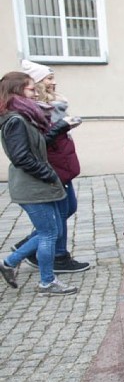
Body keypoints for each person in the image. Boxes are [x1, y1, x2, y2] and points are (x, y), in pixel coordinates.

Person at [0, 72, 77, 295]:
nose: (36, 93)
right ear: (17, 92)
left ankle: (10, 262)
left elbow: (39, 144)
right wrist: (49, 174)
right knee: (48, 233)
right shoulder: (15, 120)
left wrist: (61, 126)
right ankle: (46, 282)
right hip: (31, 186)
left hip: (38, 184)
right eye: (31, 89)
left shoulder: (24, 116)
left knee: (49, 231)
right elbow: (22, 157)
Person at [16, 60, 89, 273]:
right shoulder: (33, 111)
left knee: (68, 209)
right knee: (56, 218)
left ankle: (35, 245)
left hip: (63, 166)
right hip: (53, 167)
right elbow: (39, 142)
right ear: (37, 83)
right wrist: (61, 126)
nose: (53, 82)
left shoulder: (53, 105)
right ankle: (51, 255)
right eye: (48, 78)